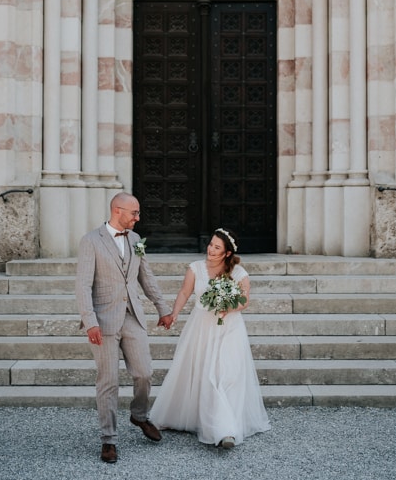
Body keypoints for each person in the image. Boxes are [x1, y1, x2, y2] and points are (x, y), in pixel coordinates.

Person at [149, 228, 270, 449]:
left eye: (217, 247)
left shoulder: (239, 273)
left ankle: (225, 430)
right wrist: (174, 314)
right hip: (201, 327)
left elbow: (244, 301)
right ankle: (203, 420)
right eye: (210, 244)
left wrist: (227, 307)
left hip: (229, 329)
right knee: (204, 373)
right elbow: (185, 292)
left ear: (226, 253)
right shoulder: (195, 268)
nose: (211, 249)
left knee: (225, 374)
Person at [75, 192, 173, 464]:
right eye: (134, 213)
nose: (138, 218)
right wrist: (90, 321)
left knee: (144, 372)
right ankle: (109, 440)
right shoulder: (90, 241)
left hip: (132, 315)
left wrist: (162, 308)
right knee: (109, 381)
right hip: (103, 321)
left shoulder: (135, 240)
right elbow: (82, 285)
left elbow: (146, 277)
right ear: (117, 211)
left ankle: (139, 415)